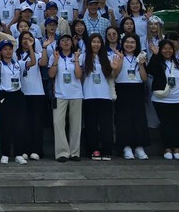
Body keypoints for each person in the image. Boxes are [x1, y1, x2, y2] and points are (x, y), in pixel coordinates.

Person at [147, 39, 179, 160]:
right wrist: (155, 54)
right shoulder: (158, 62)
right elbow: (150, 70)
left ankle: (177, 148)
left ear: (173, 50)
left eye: (170, 49)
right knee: (165, 125)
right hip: (161, 100)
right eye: (164, 49)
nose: (167, 51)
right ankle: (167, 148)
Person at [81, 33, 121, 161]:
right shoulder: (83, 57)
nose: (96, 44)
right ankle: (93, 150)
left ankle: (107, 150)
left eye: (98, 42)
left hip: (105, 96)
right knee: (91, 125)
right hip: (89, 95)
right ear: (89, 44)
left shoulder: (108, 57)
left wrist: (115, 68)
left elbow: (112, 77)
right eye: (94, 42)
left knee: (106, 125)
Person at [0, 39, 33, 165]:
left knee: (19, 125)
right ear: (1, 51)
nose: (8, 51)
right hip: (5, 96)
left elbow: (33, 62)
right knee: (6, 125)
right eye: (4, 49)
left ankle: (18, 153)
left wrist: (31, 47)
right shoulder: (0, 64)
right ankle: (5, 153)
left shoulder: (18, 64)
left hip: (17, 95)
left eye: (10, 49)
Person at [48, 34, 83, 162]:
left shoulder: (78, 55)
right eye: (63, 40)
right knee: (58, 123)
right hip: (60, 93)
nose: (66, 42)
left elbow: (79, 75)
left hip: (76, 93)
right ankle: (62, 152)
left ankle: (75, 152)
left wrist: (77, 60)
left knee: (75, 124)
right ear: (59, 43)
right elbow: (51, 75)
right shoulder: (54, 56)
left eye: (68, 40)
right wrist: (56, 61)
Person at [114, 33, 150, 160]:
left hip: (137, 88)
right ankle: (126, 146)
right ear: (122, 43)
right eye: (127, 42)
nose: (129, 45)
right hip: (122, 88)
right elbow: (114, 76)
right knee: (123, 118)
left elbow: (145, 78)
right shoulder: (117, 56)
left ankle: (139, 146)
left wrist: (141, 64)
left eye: (132, 42)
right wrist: (120, 61)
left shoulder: (141, 56)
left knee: (139, 118)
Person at [18, 31, 47, 160]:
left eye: (29, 39)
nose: (26, 41)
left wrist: (37, 47)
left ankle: (37, 150)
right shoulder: (15, 54)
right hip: (22, 92)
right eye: (24, 39)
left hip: (37, 92)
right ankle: (25, 149)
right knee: (24, 124)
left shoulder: (37, 54)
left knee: (37, 123)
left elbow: (43, 63)